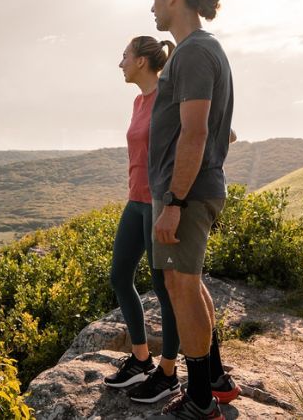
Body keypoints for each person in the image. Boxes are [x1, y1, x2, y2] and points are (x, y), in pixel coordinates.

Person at [147, 0, 239, 419]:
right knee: (184, 282)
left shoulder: (193, 53)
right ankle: (216, 379)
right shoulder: (202, 52)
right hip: (188, 188)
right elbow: (209, 124)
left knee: (181, 285)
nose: (151, 7)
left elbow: (195, 131)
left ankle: (201, 398)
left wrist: (175, 203)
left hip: (186, 193)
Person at [103, 36, 182, 404]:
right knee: (120, 275)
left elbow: (205, 128)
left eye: (124, 57)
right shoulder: (138, 101)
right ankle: (141, 360)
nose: (120, 64)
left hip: (157, 203)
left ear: (141, 62)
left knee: (163, 286)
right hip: (135, 201)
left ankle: (169, 373)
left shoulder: (168, 96)